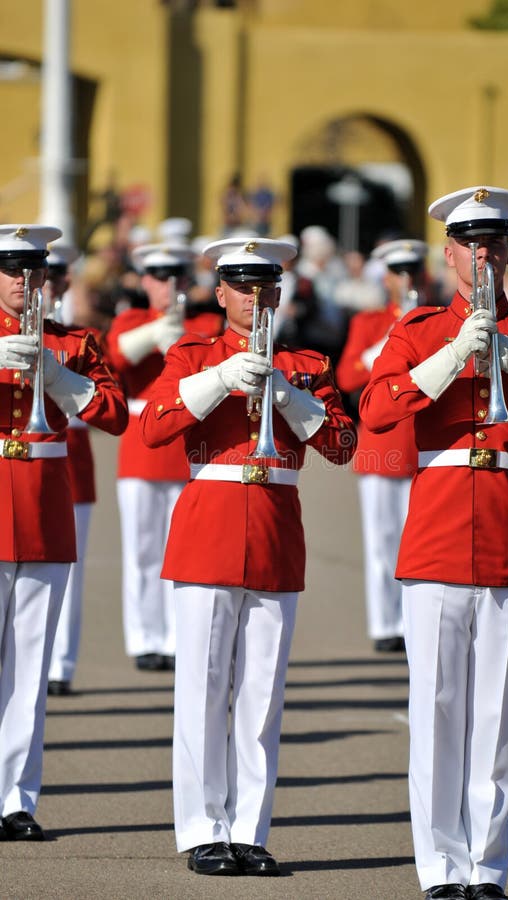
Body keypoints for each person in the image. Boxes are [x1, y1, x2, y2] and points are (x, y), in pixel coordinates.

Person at [360, 186, 508, 900]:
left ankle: (487, 868)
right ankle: (440, 868)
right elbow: (373, 412)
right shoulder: (419, 330)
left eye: (495, 243)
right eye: (470, 244)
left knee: (496, 721)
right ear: (449, 254)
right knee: (434, 713)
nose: (483, 255)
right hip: (435, 535)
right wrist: (449, 358)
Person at [139, 237, 356, 876]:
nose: (255, 297)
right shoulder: (192, 354)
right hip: (208, 528)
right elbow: (153, 427)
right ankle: (205, 828)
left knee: (262, 694)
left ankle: (250, 830)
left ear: (281, 294)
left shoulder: (308, 363)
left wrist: (290, 396)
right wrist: (217, 380)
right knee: (203, 689)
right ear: (220, 293)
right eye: (241, 285)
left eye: (266, 286)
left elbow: (345, 447)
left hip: (275, 528)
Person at [0, 224, 127, 839]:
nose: (26, 284)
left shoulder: (74, 342)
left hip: (47, 508)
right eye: (13, 272)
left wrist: (60, 378)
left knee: (31, 666)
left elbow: (116, 414)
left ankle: (15, 800)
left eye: (36, 273)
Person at [105, 241, 224, 673]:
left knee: (185, 550)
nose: (167, 285)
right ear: (145, 281)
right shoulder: (130, 319)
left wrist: (183, 340)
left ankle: (177, 636)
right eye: (158, 277)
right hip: (141, 443)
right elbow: (116, 356)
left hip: (186, 441)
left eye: (176, 277)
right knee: (141, 549)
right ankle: (144, 637)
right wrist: (156, 334)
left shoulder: (207, 321)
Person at [336, 239, 426, 653]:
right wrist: (393, 335)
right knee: (381, 541)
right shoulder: (369, 322)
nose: (407, 279)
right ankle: (385, 622)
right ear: (387, 277)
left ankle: (416, 622)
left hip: (425, 442)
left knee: (422, 542)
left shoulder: (438, 319)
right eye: (399, 272)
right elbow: (349, 376)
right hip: (380, 443)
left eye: (413, 271)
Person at [45, 244, 99, 696]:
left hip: (68, 458)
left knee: (69, 571)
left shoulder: (78, 337)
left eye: (54, 274)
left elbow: (108, 406)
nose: (46, 282)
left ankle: (61, 664)